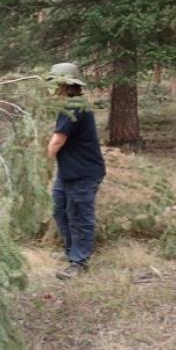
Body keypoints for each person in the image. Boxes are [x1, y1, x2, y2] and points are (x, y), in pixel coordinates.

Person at [46, 63, 106, 280]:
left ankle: (79, 262)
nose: (53, 88)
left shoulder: (74, 106)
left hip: (84, 172)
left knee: (80, 215)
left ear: (66, 84)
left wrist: (40, 166)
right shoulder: (69, 105)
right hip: (68, 172)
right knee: (60, 210)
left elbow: (57, 141)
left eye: (56, 83)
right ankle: (73, 253)